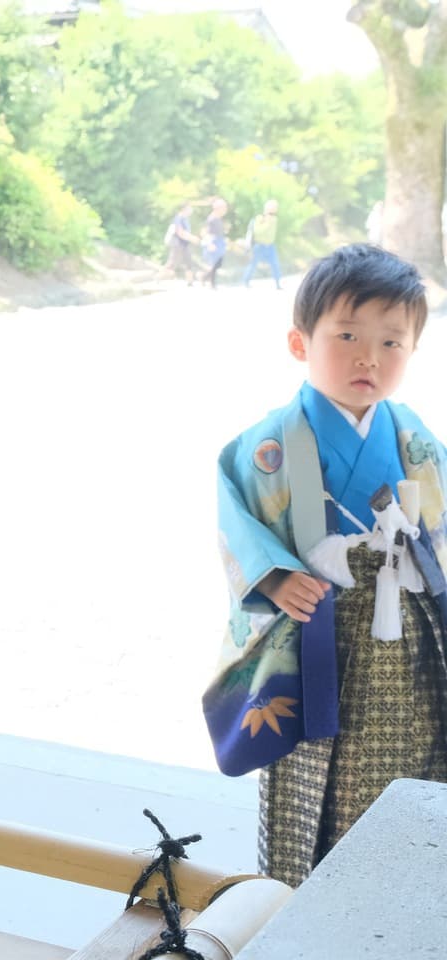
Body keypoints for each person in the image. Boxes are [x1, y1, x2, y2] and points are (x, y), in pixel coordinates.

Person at [204, 243, 446, 887]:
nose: (370, 356)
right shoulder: (267, 446)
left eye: (392, 342)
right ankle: (303, 905)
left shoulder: (414, 437)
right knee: (312, 776)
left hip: (405, 637)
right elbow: (237, 522)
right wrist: (276, 576)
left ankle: (404, 892)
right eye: (347, 335)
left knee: (415, 764)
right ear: (298, 342)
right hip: (315, 627)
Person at [241, 199, 283, 289]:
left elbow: (272, 234)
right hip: (259, 246)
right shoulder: (260, 218)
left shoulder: (274, 219)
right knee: (253, 264)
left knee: (275, 264)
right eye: (273, 207)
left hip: (270, 245)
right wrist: (267, 223)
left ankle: (278, 283)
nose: (275, 209)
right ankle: (245, 281)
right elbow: (258, 231)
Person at [166, 202, 199, 283]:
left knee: (188, 262)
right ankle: (158, 277)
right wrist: (192, 238)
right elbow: (180, 232)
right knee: (172, 263)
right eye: (189, 208)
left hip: (185, 244)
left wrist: (191, 238)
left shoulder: (185, 219)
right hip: (178, 245)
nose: (191, 210)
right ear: (184, 209)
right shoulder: (179, 218)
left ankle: (190, 281)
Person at [201, 197, 229, 289]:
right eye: (224, 208)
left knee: (218, 263)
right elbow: (205, 232)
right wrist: (210, 244)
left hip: (219, 242)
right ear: (217, 208)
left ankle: (205, 277)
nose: (225, 210)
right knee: (214, 263)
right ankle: (212, 283)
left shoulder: (218, 218)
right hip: (213, 242)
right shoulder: (211, 219)